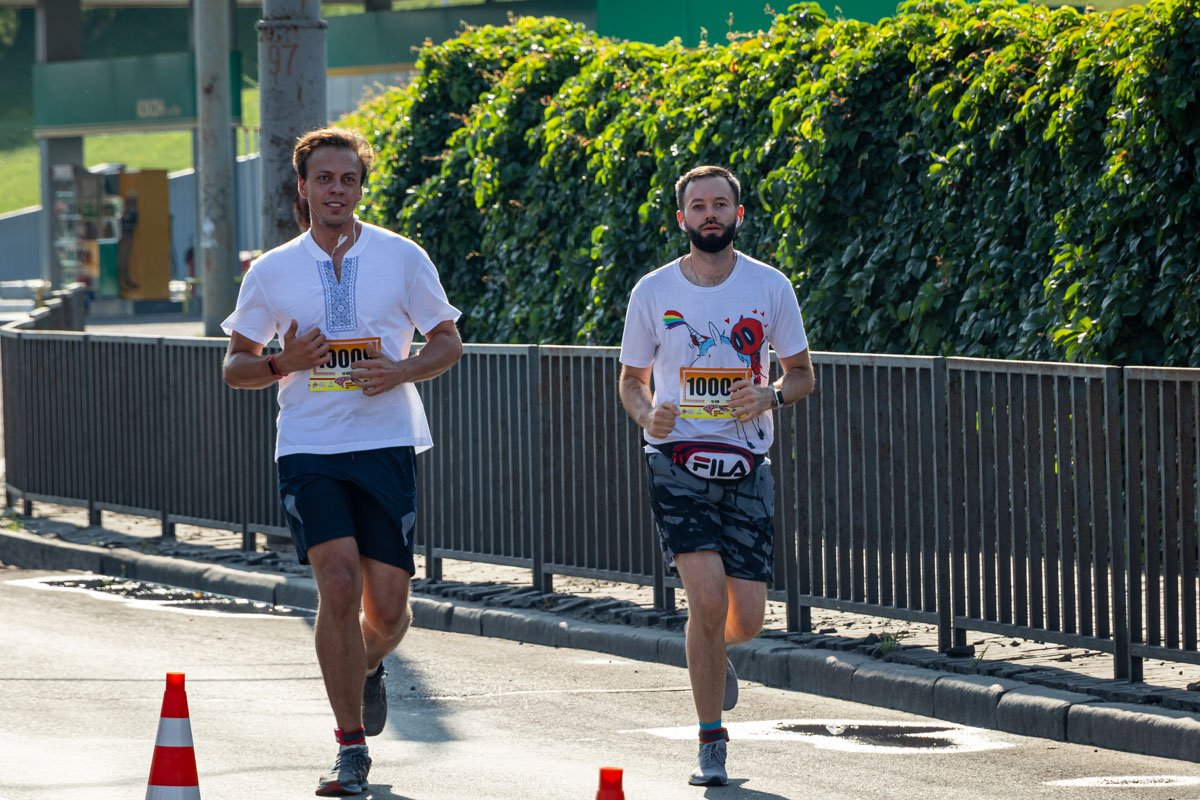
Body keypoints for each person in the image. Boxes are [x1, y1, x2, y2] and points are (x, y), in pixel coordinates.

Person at [221, 127, 462, 797]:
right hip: (309, 447)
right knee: (337, 583)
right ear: (302, 187)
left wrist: (403, 368)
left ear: (361, 187)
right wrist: (282, 363)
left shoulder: (402, 257)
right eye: (324, 179)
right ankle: (350, 749)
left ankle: (369, 665)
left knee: (388, 612)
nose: (336, 190)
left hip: (386, 443)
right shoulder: (272, 270)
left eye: (348, 179)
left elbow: (448, 341)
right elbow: (235, 366)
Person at [618, 165, 814, 787]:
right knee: (705, 600)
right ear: (682, 218)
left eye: (720, 204)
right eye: (698, 206)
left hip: (747, 462)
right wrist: (648, 413)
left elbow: (802, 374)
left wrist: (770, 396)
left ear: (738, 214)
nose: (710, 214)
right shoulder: (653, 291)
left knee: (745, 619)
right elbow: (630, 380)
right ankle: (711, 742)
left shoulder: (770, 286)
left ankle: (714, 647)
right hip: (675, 460)